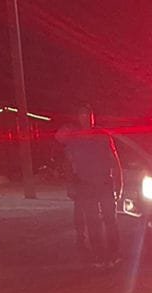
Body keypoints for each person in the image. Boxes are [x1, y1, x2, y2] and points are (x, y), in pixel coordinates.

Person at [56, 104, 122, 265]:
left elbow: (115, 161)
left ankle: (113, 253)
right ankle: (99, 255)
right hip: (85, 185)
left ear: (93, 117)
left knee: (110, 219)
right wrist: (70, 184)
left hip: (104, 182)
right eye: (82, 116)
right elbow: (68, 163)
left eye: (88, 115)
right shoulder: (74, 137)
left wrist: (119, 184)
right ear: (78, 118)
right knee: (93, 221)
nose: (85, 119)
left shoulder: (102, 135)